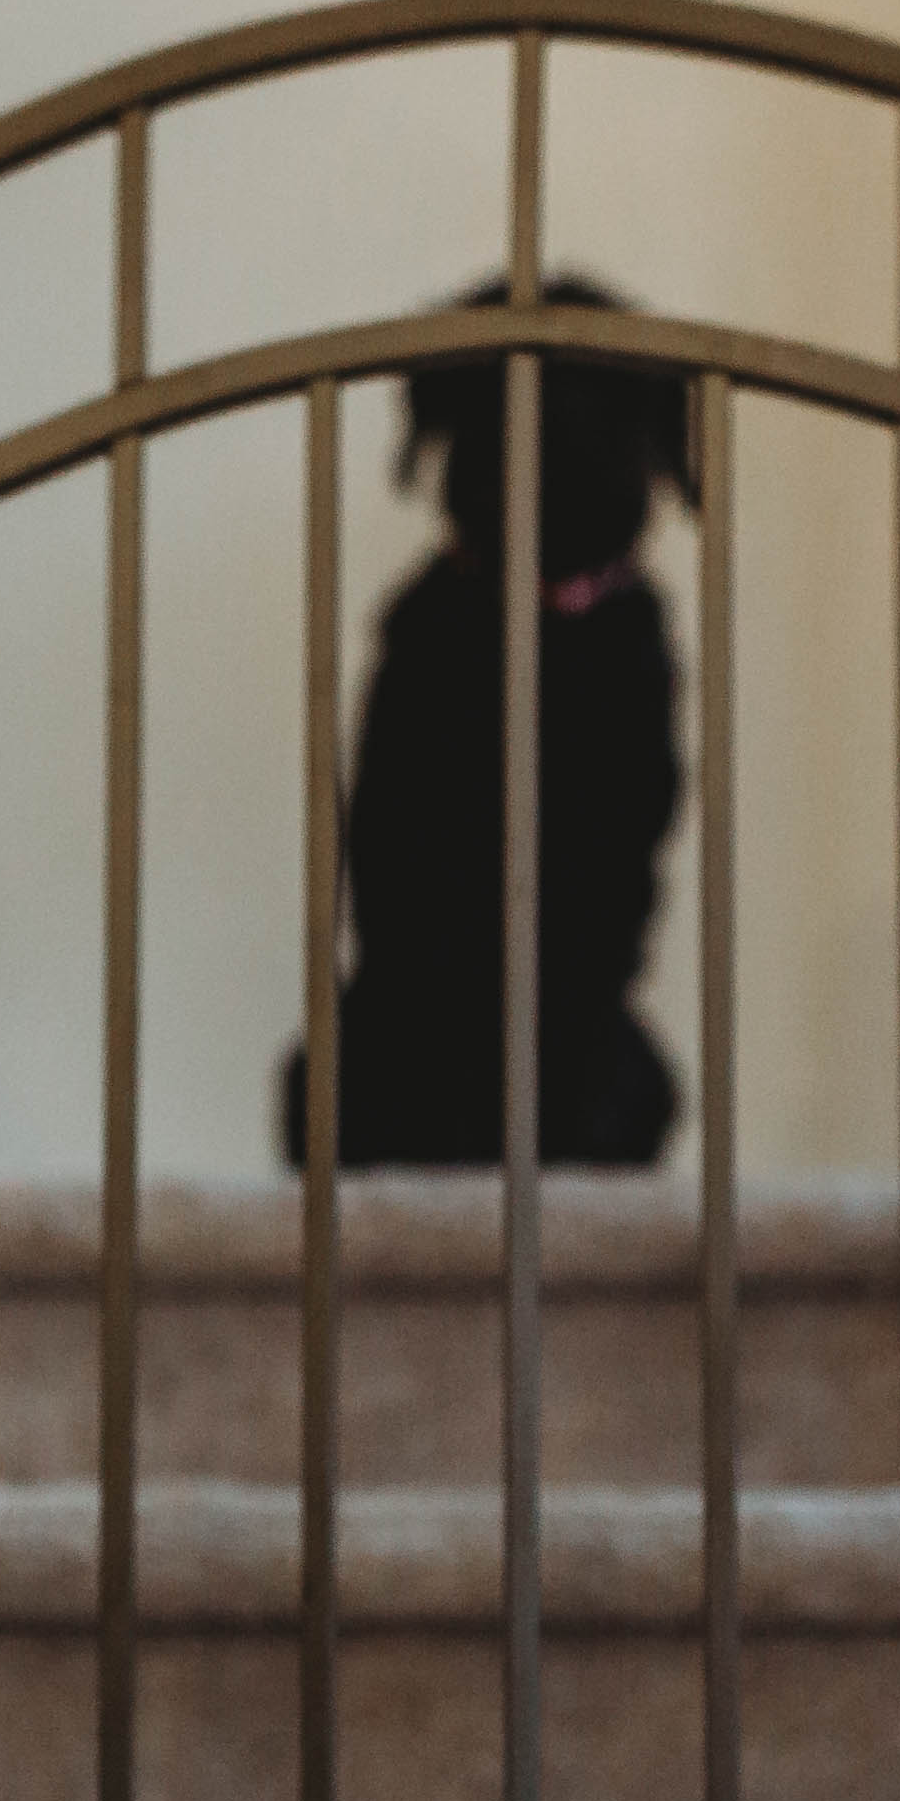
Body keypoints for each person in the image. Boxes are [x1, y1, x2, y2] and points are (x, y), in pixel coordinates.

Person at [284, 271, 702, 1171]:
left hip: (574, 1051)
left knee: (627, 1087)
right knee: (343, 1080)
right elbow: (390, 906)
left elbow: (615, 920)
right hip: (411, 1045)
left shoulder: (630, 651)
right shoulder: (429, 638)